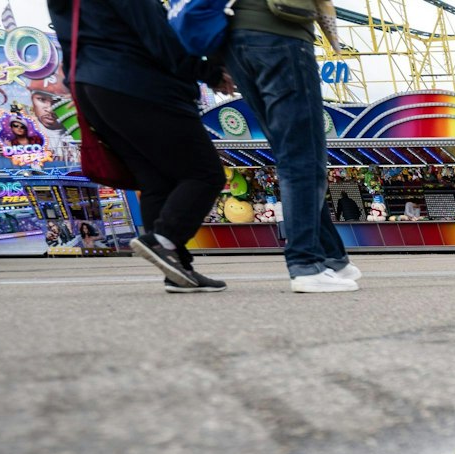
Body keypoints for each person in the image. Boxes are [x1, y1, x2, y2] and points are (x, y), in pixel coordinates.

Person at [47, 0, 227, 292]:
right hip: (138, 83)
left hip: (93, 89)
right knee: (204, 173)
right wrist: (210, 73)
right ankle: (162, 240)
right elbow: (158, 36)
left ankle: (177, 270)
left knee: (156, 181)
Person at [224, 1, 361, 292]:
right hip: (281, 34)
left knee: (291, 154)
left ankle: (334, 258)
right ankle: (306, 265)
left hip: (236, 41)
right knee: (304, 159)